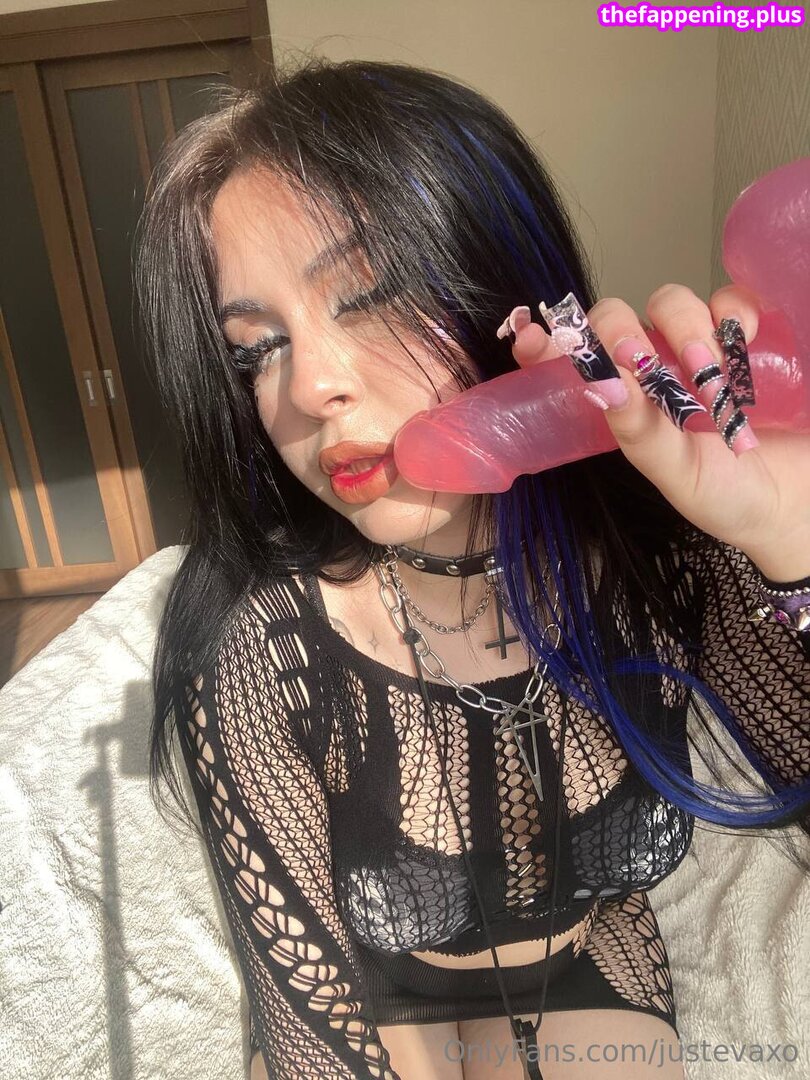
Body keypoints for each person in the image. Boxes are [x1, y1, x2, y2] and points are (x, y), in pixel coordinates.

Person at [133, 56, 810, 1080]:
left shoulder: (658, 555)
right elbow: (310, 1029)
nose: (309, 388)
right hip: (372, 990)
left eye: (367, 293)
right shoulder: (259, 639)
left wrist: (787, 535)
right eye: (255, 350)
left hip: (590, 966)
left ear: (498, 280)